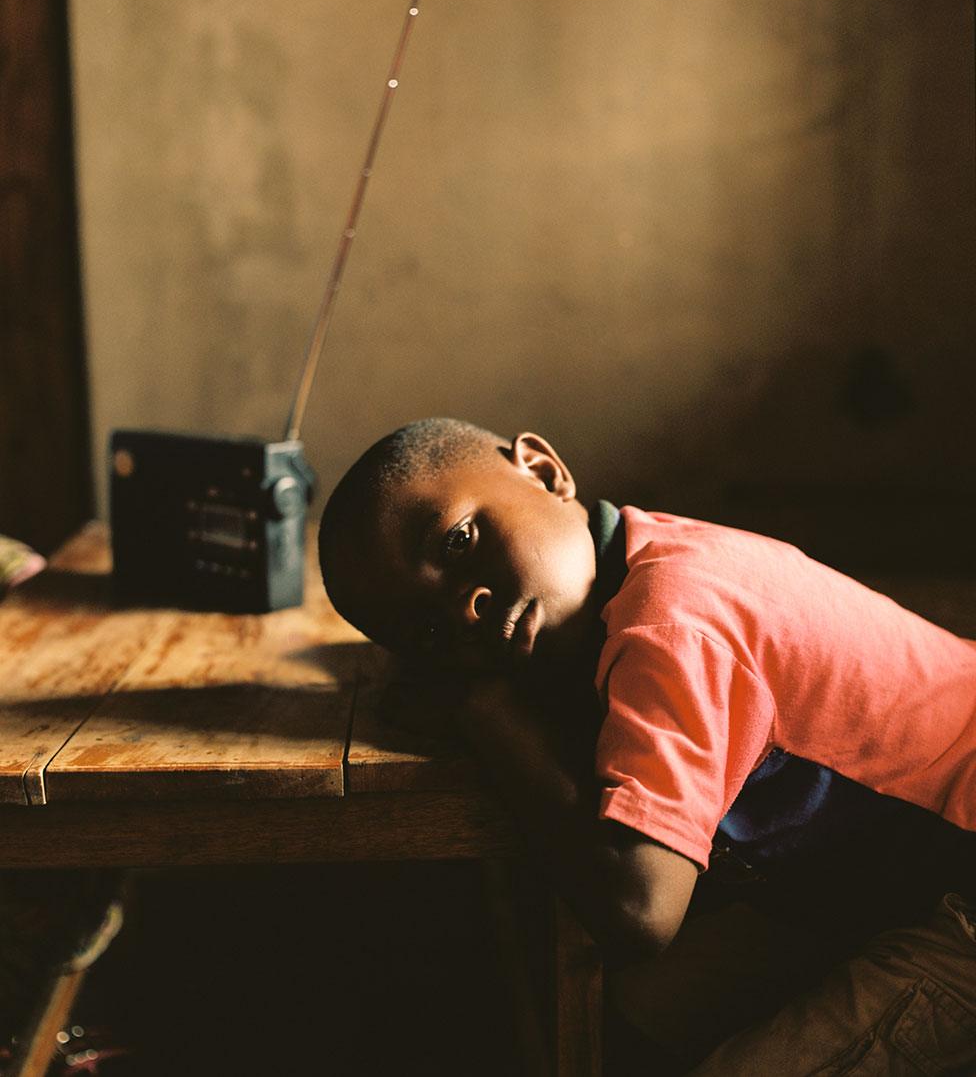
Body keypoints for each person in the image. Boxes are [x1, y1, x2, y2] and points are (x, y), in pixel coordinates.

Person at [318, 418, 976, 1073]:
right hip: (902, 873)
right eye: (426, 630)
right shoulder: (638, 560)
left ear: (545, 471)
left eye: (459, 541)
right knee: (643, 1006)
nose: (465, 608)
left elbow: (639, 913)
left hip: (962, 886)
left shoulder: (672, 623)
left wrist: (485, 713)